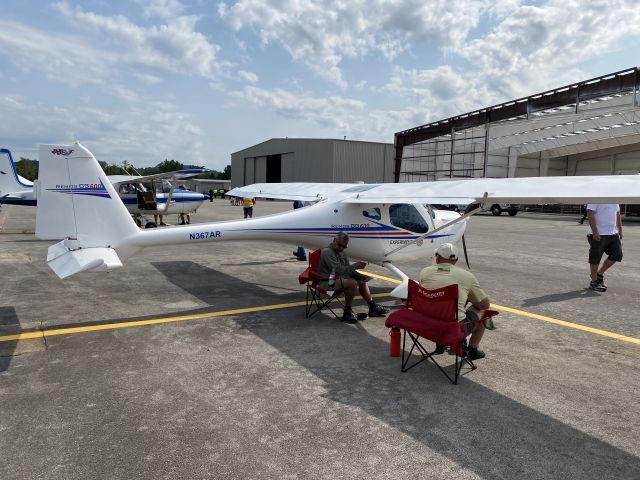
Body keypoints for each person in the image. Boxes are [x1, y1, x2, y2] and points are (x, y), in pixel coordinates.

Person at [419, 243, 491, 360]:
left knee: (440, 302)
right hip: (452, 328)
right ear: (456, 260)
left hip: (428, 323)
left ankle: (440, 344)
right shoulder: (467, 276)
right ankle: (472, 351)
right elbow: (485, 304)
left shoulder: (425, 271)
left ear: (437, 257)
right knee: (483, 312)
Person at [317, 232, 390, 323]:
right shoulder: (327, 252)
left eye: (344, 246)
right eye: (340, 245)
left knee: (361, 281)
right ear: (334, 240)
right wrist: (356, 265)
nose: (341, 248)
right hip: (326, 282)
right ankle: (347, 311)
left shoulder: (342, 253)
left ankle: (373, 307)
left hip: (337, 279)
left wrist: (361, 276)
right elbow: (339, 271)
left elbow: (348, 270)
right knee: (352, 283)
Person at [586, 204, 623, 292]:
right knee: (595, 257)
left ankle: (599, 274)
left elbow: (617, 214)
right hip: (599, 233)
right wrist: (595, 231)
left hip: (613, 233)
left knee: (617, 255)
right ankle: (594, 281)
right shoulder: (596, 197)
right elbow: (590, 212)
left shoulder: (614, 199)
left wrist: (620, 230)